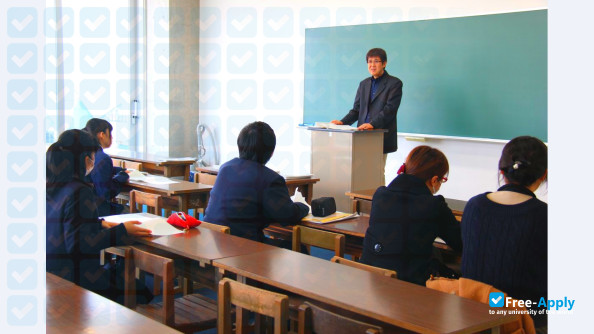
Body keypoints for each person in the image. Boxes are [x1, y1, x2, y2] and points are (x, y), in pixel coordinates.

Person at [46, 129, 152, 303]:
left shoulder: (50, 186)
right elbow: (80, 244)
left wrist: (99, 224)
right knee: (141, 291)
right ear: (86, 159)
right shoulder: (80, 191)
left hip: (51, 270)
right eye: (93, 156)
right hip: (75, 277)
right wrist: (122, 231)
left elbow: (64, 224)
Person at [461, 136, 547, 329]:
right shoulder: (544, 215)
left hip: (472, 317)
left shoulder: (474, 206)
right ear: (543, 174)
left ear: (501, 171)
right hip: (524, 323)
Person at [360, 145, 462, 285]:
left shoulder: (381, 195)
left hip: (369, 279)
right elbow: (459, 242)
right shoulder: (433, 205)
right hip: (406, 288)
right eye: (442, 180)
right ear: (434, 180)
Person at [203, 121, 309, 243]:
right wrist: (303, 206)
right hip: (242, 250)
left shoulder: (225, 168)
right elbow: (288, 216)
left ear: (240, 145)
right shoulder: (270, 179)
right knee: (299, 248)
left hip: (210, 241)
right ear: (271, 151)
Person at [331, 47, 403, 167]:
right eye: (369, 62)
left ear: (384, 63)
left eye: (376, 61)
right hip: (361, 136)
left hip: (380, 136)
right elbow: (356, 110)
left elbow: (390, 110)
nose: (372, 65)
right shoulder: (364, 84)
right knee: (361, 171)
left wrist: (372, 124)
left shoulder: (394, 83)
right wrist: (342, 122)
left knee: (377, 172)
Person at [83, 118, 129, 216]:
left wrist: (118, 170)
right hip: (99, 211)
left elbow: (96, 171)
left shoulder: (86, 153)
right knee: (131, 211)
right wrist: (120, 178)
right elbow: (106, 193)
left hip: (85, 208)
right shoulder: (103, 158)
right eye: (110, 133)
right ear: (102, 135)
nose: (111, 138)